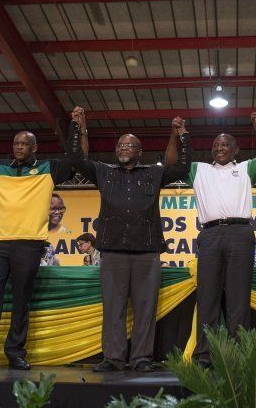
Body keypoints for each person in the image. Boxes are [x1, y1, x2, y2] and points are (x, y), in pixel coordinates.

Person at [68, 107, 191, 373]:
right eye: (121, 144)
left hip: (147, 252)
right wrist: (78, 127)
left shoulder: (153, 174)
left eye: (130, 145)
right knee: (113, 308)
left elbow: (182, 167)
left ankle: (141, 358)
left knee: (145, 309)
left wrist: (182, 135)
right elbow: (76, 160)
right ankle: (113, 357)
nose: (124, 147)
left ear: (139, 151)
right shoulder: (103, 172)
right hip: (113, 251)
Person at [0, 119, 77, 371]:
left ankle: (16, 353)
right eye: (16, 143)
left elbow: (76, 159)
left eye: (24, 144)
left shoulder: (48, 168)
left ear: (35, 147)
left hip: (29, 244)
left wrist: (76, 127)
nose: (19, 147)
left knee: (21, 300)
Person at [167, 111, 256, 367]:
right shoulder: (198, 169)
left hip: (240, 234)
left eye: (225, 144)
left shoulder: (245, 168)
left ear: (236, 149)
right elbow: (171, 162)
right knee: (208, 298)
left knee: (238, 299)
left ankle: (239, 357)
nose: (220, 148)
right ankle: (204, 355)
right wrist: (174, 134)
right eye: (216, 145)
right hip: (210, 235)